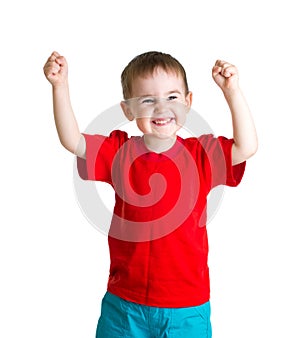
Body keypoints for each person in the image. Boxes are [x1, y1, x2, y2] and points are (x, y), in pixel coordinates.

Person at [43, 51, 257, 338]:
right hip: (125, 306)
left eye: (172, 97)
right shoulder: (119, 152)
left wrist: (232, 91)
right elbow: (73, 140)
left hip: (186, 306)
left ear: (188, 102)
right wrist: (60, 86)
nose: (161, 108)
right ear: (129, 110)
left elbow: (246, 147)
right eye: (147, 100)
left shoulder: (201, 155)